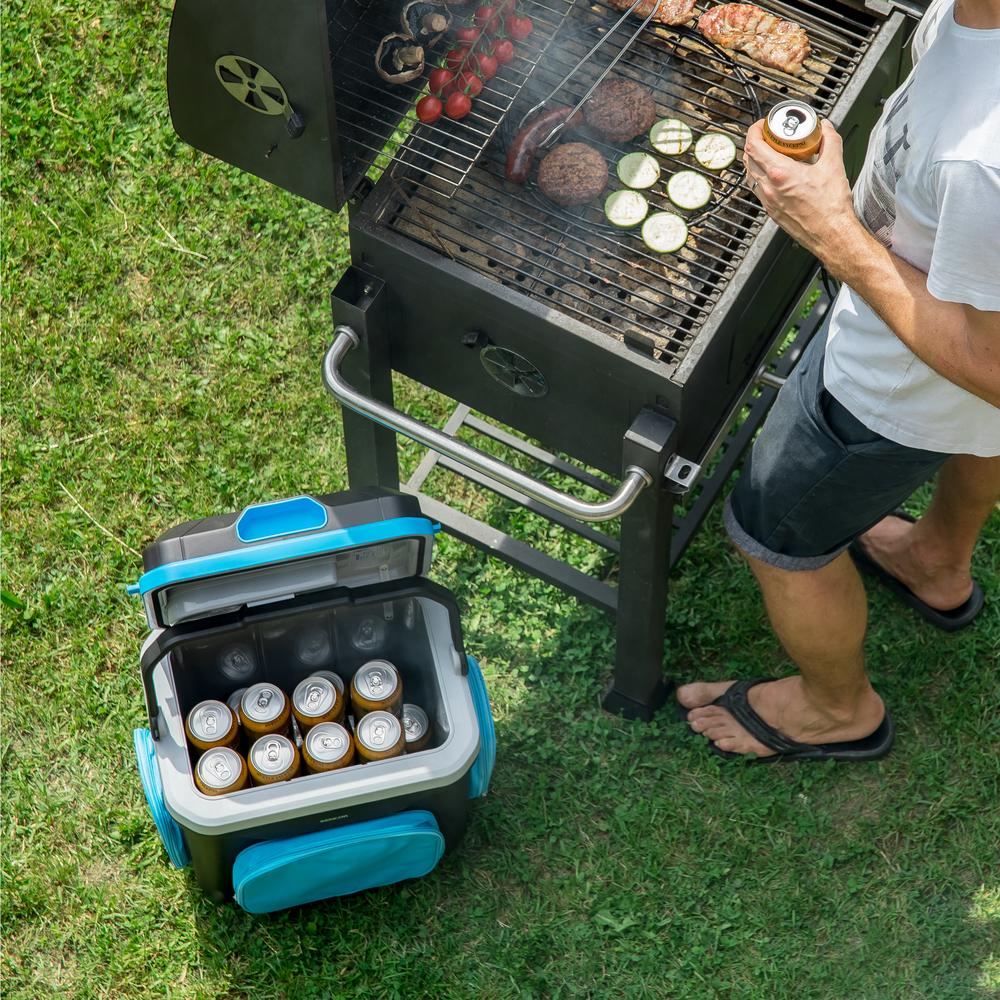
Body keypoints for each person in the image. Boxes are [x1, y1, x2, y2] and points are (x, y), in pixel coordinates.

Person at [677, 0, 1000, 762]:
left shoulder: (984, 164)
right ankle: (936, 562)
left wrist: (834, 231)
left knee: (776, 523)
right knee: (980, 433)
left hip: (898, 384)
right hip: (959, 379)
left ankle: (835, 708)